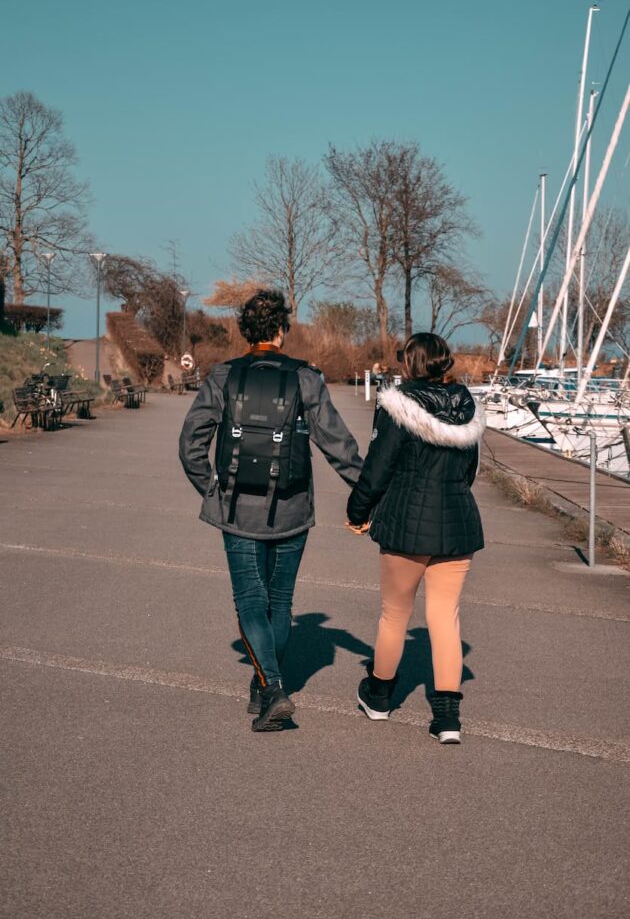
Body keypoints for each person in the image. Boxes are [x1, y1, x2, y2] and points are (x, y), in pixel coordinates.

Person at [179, 290, 362, 732]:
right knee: (279, 602)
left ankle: (272, 686)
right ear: (281, 330)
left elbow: (191, 445)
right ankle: (265, 686)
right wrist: (369, 493)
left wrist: (212, 489)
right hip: (292, 506)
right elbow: (338, 444)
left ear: (246, 331)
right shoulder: (307, 378)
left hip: (238, 507)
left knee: (249, 600)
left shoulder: (223, 376)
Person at [346, 332, 485, 744]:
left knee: (395, 613)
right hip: (458, 519)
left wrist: (358, 511)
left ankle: (380, 696)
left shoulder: (397, 405)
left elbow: (379, 465)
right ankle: (447, 719)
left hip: (407, 521)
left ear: (410, 363)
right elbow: (470, 471)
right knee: (445, 617)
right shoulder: (467, 406)